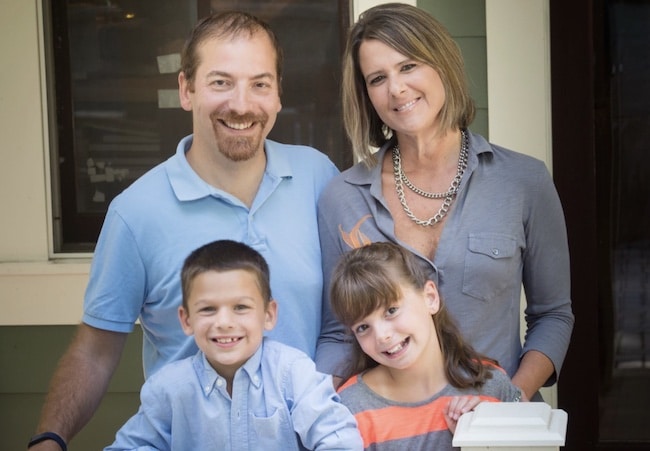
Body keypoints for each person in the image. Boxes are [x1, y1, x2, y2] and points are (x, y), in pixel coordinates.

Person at [29, 11, 341, 451]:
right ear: (186, 90)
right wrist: (50, 438)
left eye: (259, 83)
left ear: (277, 94)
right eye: (220, 82)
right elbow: (96, 351)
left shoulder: (318, 177)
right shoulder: (135, 212)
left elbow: (348, 318)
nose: (241, 103)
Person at [317, 3, 574, 401]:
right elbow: (338, 333)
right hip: (392, 432)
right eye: (377, 78)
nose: (396, 89)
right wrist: (324, 415)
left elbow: (553, 315)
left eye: (408, 67)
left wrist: (506, 402)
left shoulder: (524, 181)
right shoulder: (342, 197)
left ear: (441, 63)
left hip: (497, 428)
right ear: (366, 94)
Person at [105, 240, 362, 450]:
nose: (224, 322)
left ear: (269, 314)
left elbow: (339, 439)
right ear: (186, 319)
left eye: (240, 307)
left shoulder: (293, 373)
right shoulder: (168, 389)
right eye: (208, 309)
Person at [330, 242, 521, 450]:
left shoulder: (492, 386)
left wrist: (487, 437)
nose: (382, 336)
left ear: (430, 297)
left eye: (391, 310)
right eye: (363, 327)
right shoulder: (349, 409)